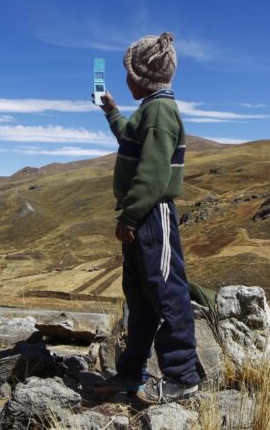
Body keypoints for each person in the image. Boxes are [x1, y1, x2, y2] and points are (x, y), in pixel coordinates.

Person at [95, 32, 200, 404]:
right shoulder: (152, 110)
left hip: (151, 215)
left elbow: (154, 175)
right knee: (140, 298)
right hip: (144, 215)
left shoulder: (158, 112)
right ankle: (130, 375)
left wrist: (130, 216)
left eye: (128, 74)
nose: (126, 80)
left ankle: (183, 377)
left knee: (166, 293)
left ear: (140, 77)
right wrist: (111, 111)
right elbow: (131, 139)